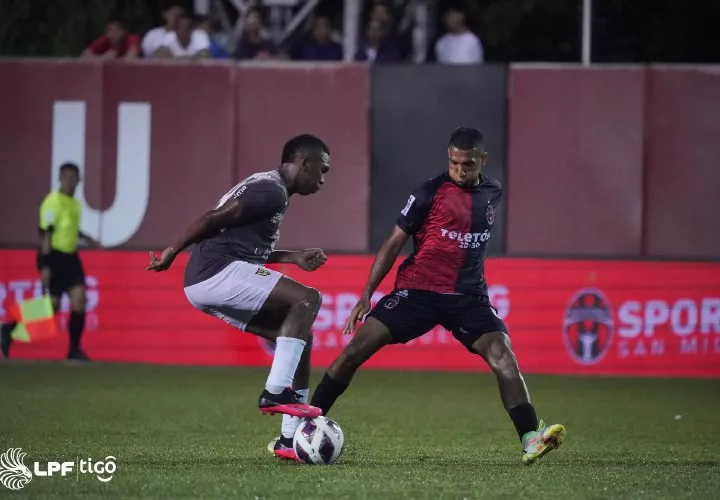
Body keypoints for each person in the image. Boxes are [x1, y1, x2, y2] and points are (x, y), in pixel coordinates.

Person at [305, 127, 566, 465]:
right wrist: (366, 294)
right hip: (418, 292)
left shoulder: (493, 192)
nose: (459, 170)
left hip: (468, 298)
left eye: (467, 164)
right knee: (354, 350)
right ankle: (299, 428)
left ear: (483, 160)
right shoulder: (429, 192)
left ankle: (531, 439)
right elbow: (393, 243)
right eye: (454, 163)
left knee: (503, 355)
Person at [146, 134, 331, 461]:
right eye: (322, 169)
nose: (323, 178)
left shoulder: (272, 190)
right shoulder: (270, 191)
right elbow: (212, 219)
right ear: (304, 163)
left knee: (299, 336)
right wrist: (171, 252)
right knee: (307, 299)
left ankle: (288, 441)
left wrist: (293, 257)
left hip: (207, 280)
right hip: (216, 272)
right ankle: (275, 392)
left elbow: (245, 248)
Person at [1, 163, 99, 361]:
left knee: (79, 299)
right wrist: (45, 266)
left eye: (74, 178)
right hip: (53, 256)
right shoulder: (51, 202)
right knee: (50, 307)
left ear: (79, 181)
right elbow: (46, 234)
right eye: (67, 178)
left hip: (71, 257)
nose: (70, 182)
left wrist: (86, 238)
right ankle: (7, 329)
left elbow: (68, 228)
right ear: (60, 179)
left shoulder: (75, 204)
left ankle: (74, 350)